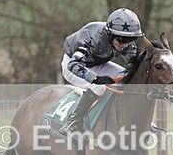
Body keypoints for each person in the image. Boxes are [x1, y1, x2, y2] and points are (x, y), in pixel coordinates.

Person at [58, 8, 143, 136]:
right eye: (121, 39)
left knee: (128, 77)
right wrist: (96, 78)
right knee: (99, 86)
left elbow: (134, 65)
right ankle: (73, 122)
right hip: (73, 65)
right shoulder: (91, 37)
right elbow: (74, 65)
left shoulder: (124, 41)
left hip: (97, 63)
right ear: (110, 34)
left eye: (130, 39)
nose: (125, 44)